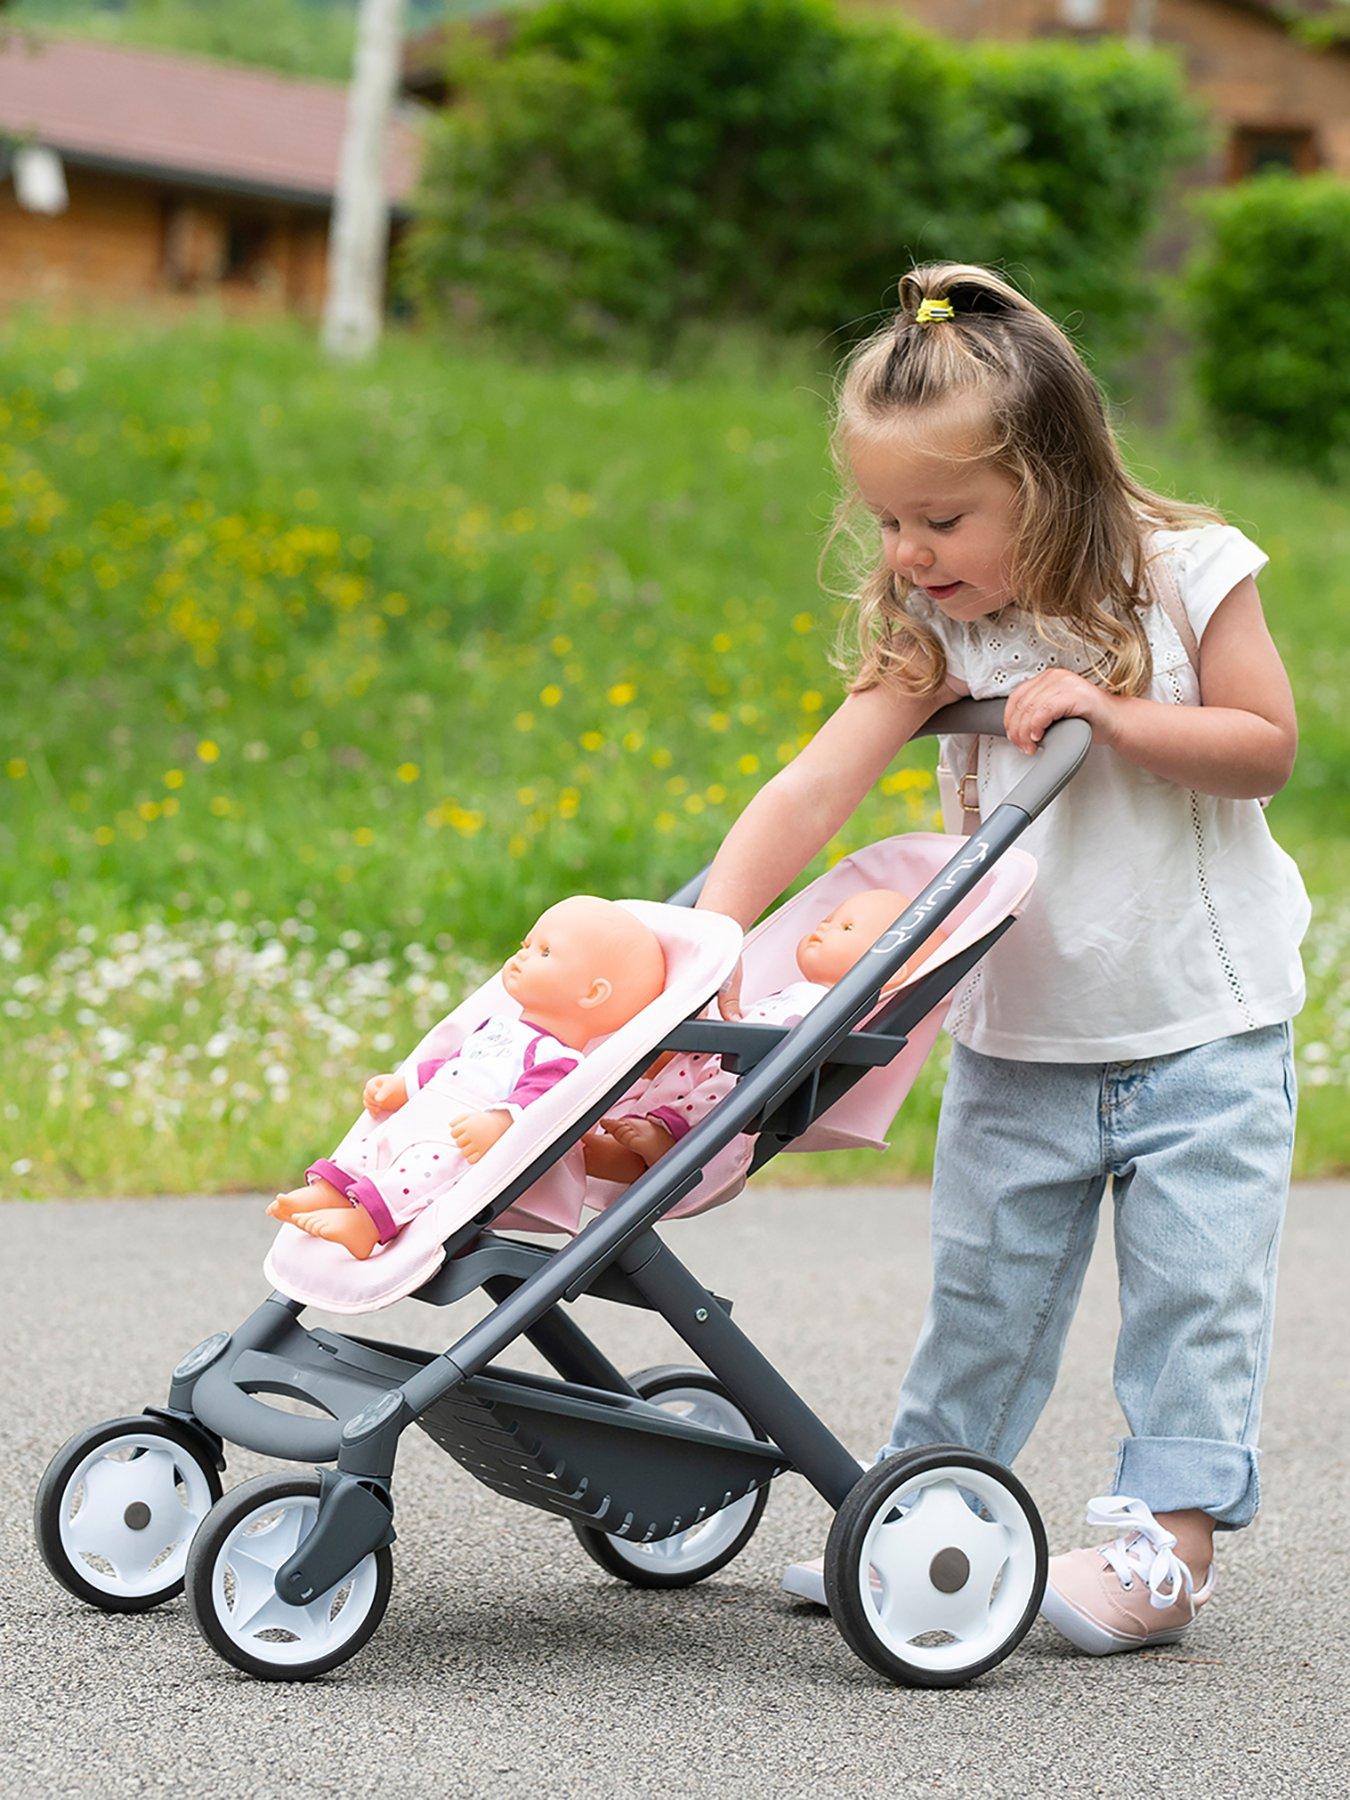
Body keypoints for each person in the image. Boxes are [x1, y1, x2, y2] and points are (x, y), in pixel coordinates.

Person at [695, 264, 1308, 1655]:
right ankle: (921, 1513)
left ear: (1054, 475)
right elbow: (809, 792)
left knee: (1193, 1296)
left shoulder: (1185, 575)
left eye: (943, 517)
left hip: (1198, 1024)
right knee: (980, 1293)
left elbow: (1262, 744)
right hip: (1020, 1030)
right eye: (887, 522)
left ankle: (1164, 1546)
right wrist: (712, 928)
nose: (909, 551)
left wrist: (1108, 711)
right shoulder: (932, 630)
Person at [266, 896, 666, 1258]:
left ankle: (366, 1225)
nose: (521, 956)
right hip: (429, 1110)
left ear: (592, 994)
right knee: (375, 1146)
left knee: (423, 1171)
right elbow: (456, 1065)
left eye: (544, 952)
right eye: (525, 945)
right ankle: (329, 1192)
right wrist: (402, 1086)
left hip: (460, 1135)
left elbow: (540, 1100)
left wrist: (498, 1121)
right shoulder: (497, 1027)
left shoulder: (559, 1058)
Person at [582, 888, 944, 1183]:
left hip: (728, 1083)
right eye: (828, 920)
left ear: (893, 975)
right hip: (707, 1063)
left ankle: (653, 1145)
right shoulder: (797, 992)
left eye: (846, 928)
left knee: (688, 1110)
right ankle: (591, 1142)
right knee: (646, 1073)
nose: (825, 928)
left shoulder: (835, 1011)